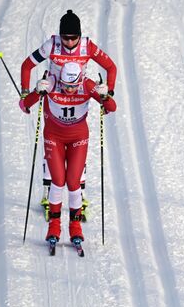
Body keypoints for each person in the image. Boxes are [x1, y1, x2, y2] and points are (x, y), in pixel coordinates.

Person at [20, 9, 117, 219]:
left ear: (80, 36)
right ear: (60, 35)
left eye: (74, 38)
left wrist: (107, 93)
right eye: (66, 38)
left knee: (77, 145)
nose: (70, 42)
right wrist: (27, 92)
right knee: (53, 144)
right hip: (53, 93)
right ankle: (49, 191)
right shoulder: (51, 45)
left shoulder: (87, 46)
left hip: (78, 93)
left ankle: (78, 193)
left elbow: (111, 67)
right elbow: (27, 65)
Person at [19, 62, 117, 256]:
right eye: (66, 85)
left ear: (80, 81)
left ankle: (75, 229)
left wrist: (105, 95)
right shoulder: (52, 83)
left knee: (73, 182)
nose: (69, 89)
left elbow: (112, 107)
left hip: (78, 137)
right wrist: (36, 91)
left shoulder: (87, 85)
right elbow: (24, 105)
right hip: (54, 136)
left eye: (73, 86)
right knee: (57, 181)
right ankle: (54, 228)